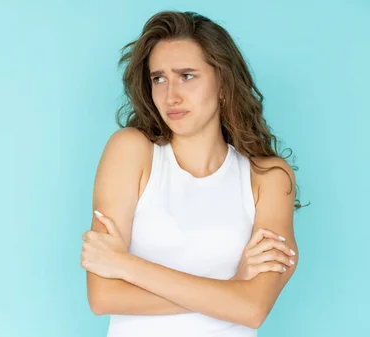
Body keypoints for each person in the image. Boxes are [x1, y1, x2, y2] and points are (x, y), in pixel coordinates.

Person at [80, 10, 305, 337]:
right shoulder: (131, 152)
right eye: (159, 78)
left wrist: (126, 266)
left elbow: (253, 309)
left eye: (187, 75)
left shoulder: (269, 177)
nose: (171, 95)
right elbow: (103, 297)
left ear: (224, 83)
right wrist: (231, 287)